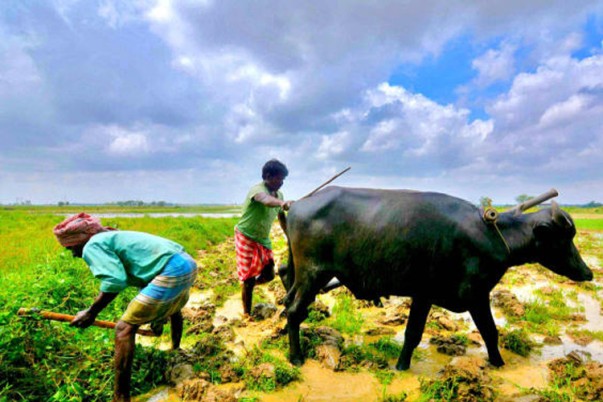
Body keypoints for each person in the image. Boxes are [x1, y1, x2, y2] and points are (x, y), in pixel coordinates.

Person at [53, 213, 197, 402]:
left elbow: (114, 280)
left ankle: (120, 397)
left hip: (171, 270)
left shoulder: (93, 245)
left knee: (124, 329)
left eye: (71, 247)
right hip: (186, 264)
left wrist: (91, 312)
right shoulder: (110, 237)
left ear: (80, 240)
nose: (73, 254)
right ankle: (175, 349)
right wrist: (157, 316)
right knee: (173, 307)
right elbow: (144, 274)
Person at [235, 159, 293, 319]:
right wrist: (282, 203)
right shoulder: (257, 190)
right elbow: (266, 201)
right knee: (248, 278)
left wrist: (289, 236)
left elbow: (281, 217)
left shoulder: (279, 194)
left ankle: (248, 286)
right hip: (246, 236)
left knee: (269, 275)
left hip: (262, 239)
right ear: (268, 176)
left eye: (283, 180)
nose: (281, 183)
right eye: (278, 179)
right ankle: (246, 314)